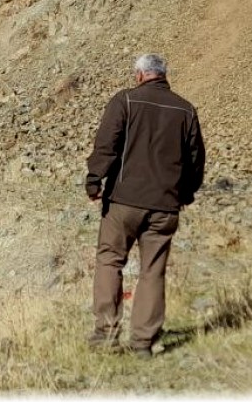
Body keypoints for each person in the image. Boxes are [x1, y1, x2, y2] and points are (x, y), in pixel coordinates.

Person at [83, 53, 206, 358]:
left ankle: (106, 335)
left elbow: (107, 144)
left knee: (110, 260)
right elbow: (195, 160)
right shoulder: (186, 110)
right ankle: (143, 342)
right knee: (153, 270)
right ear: (163, 75)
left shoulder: (125, 101)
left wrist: (95, 179)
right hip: (165, 205)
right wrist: (185, 193)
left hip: (124, 201)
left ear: (139, 75)